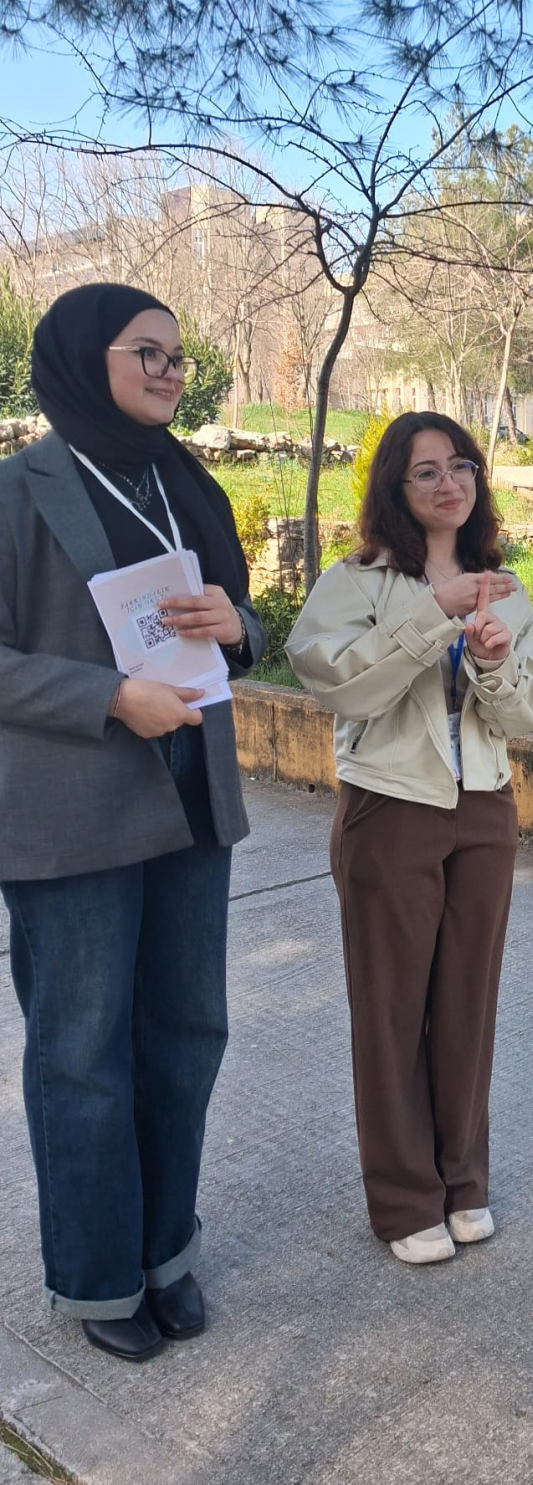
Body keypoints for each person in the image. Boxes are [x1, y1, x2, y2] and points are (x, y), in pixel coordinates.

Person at [0, 283, 265, 1363]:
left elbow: (240, 629)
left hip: (193, 798)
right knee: (82, 1055)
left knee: (185, 1040)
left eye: (177, 355)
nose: (168, 370)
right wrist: (107, 697)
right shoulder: (19, 492)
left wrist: (233, 622)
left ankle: (165, 1254)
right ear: (79, 357)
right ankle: (100, 1282)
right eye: (144, 351)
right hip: (78, 819)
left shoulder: (183, 482)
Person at [286, 412, 533, 1265]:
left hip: (485, 807)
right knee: (391, 1007)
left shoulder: (501, 584)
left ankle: (464, 1181)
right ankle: (406, 1196)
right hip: (391, 807)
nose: (449, 483)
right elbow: (338, 683)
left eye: (461, 466)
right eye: (426, 472)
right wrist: (432, 618)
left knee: (466, 1004)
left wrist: (491, 659)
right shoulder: (358, 579)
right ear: (395, 490)